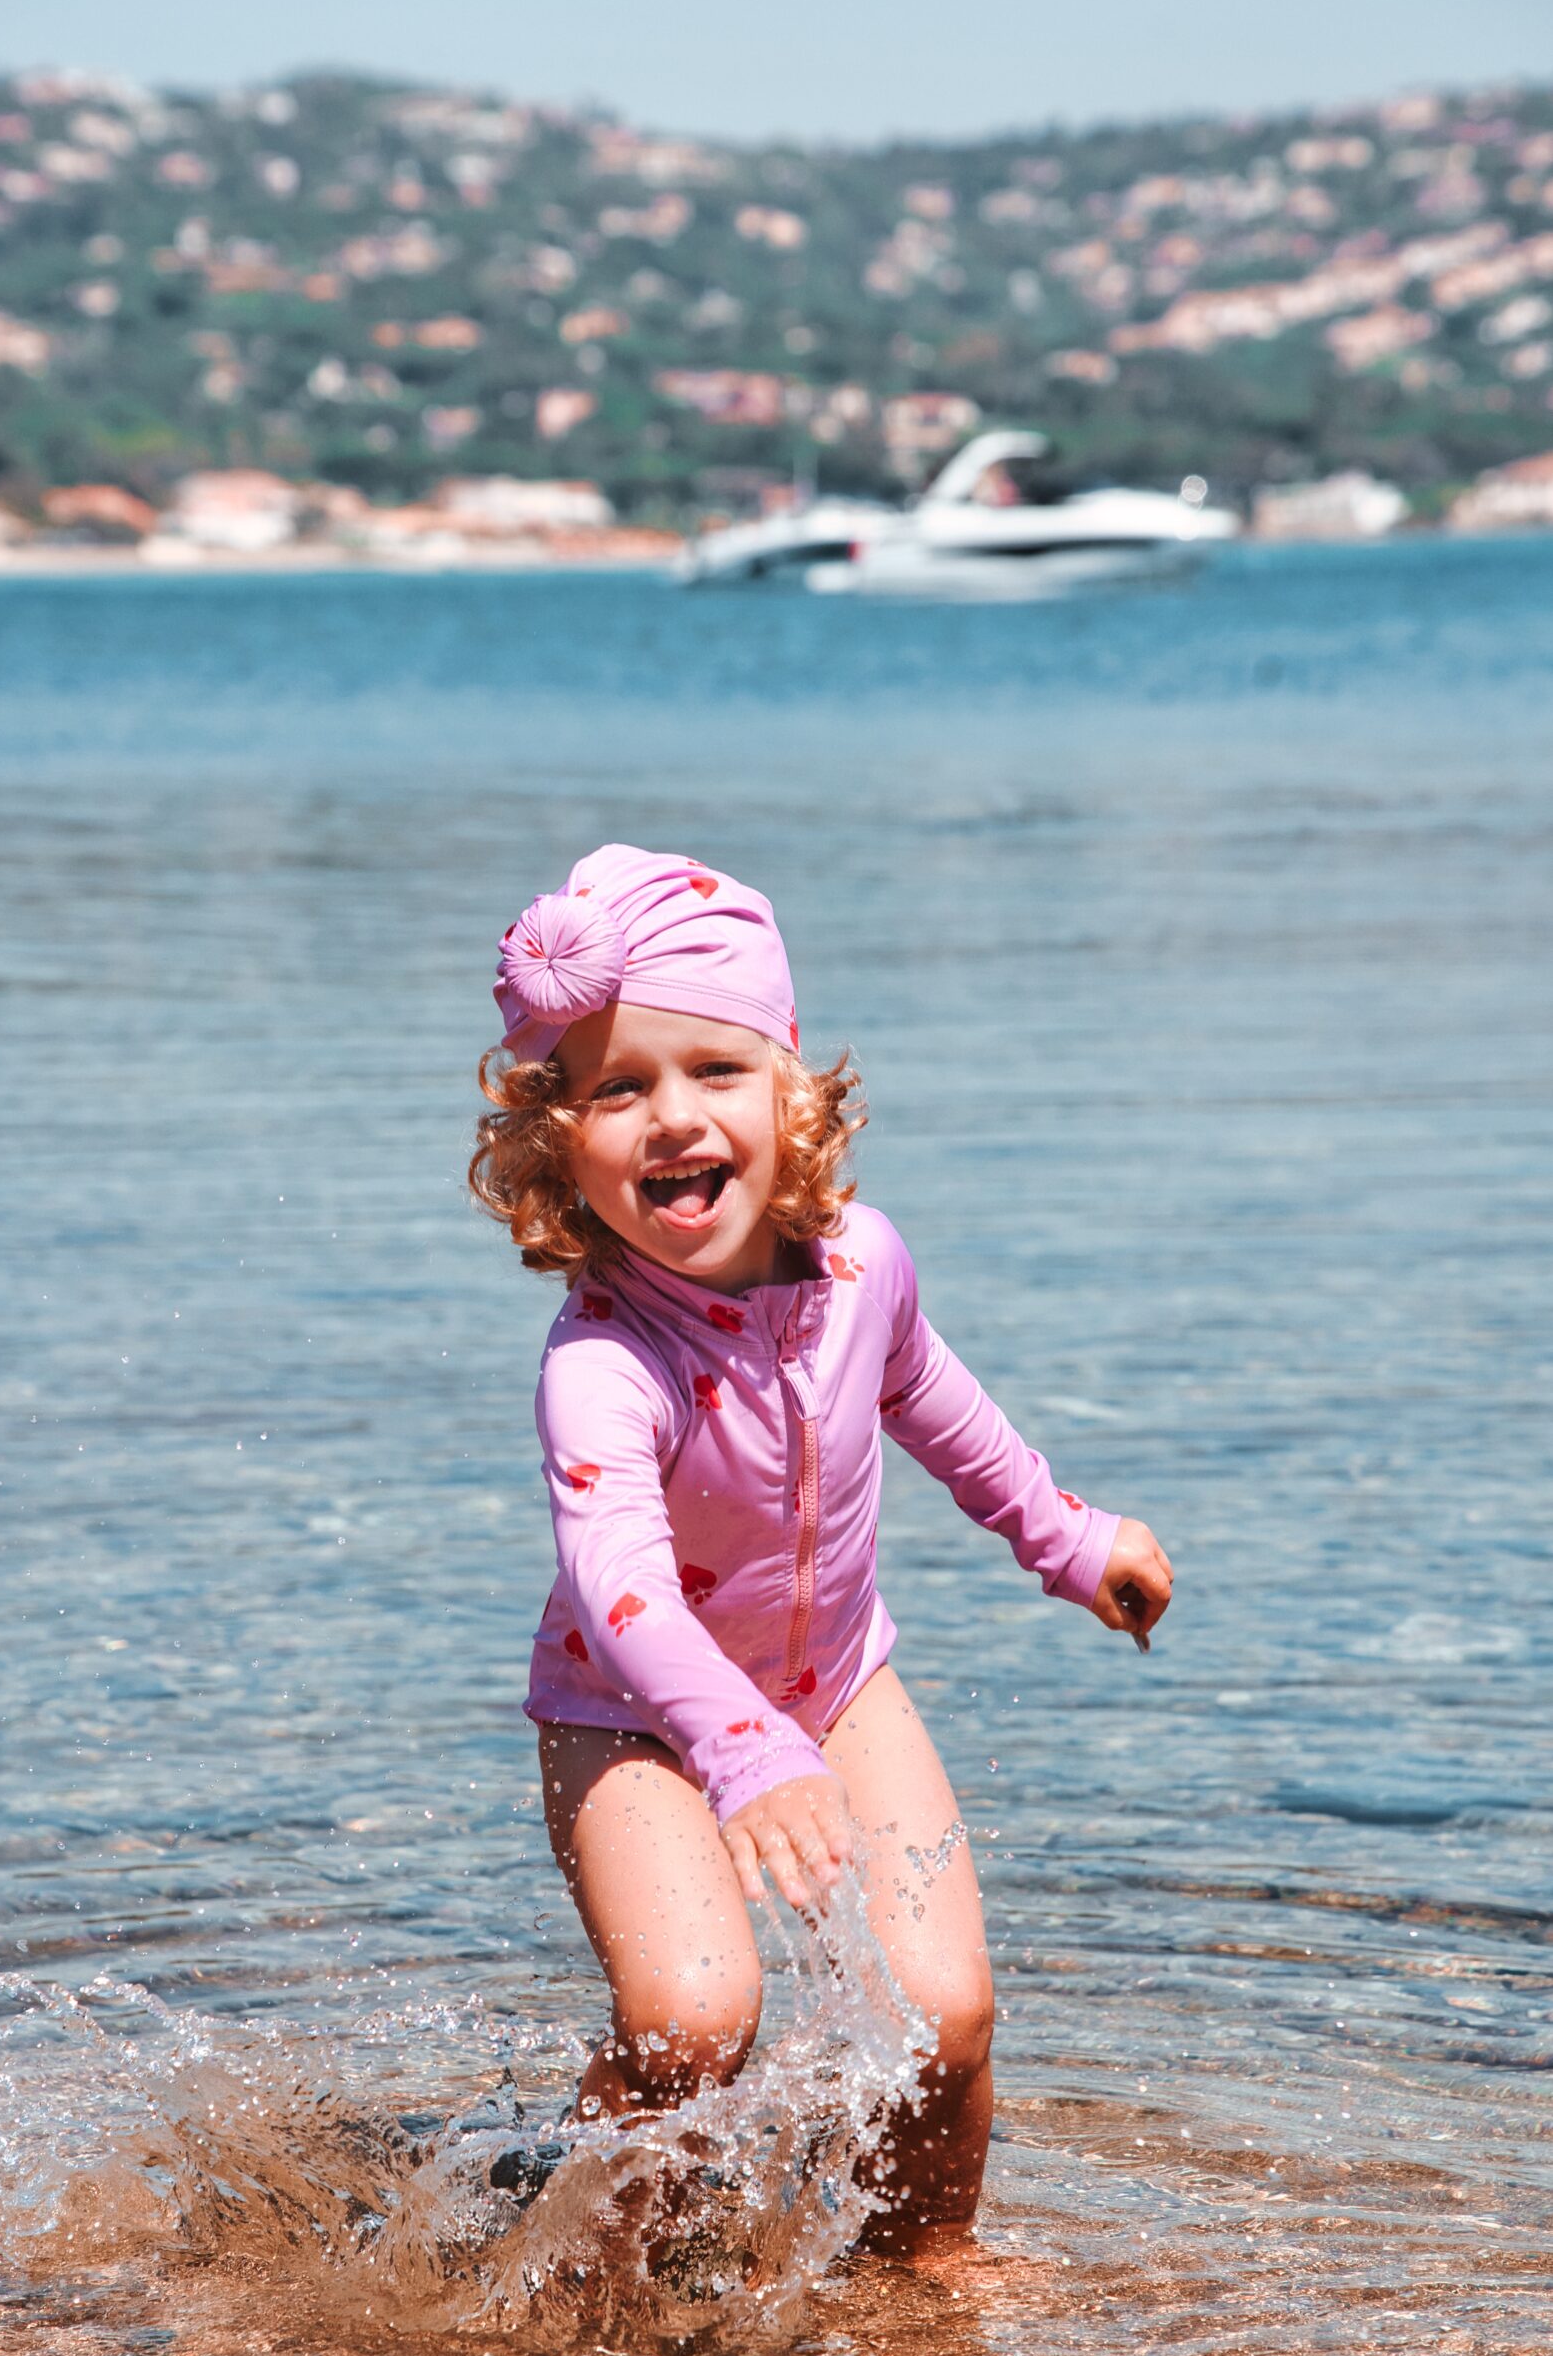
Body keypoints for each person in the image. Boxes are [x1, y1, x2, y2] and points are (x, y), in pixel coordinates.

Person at [469, 844, 1172, 2254]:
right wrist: (737, 1749)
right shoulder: (602, 1365)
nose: (672, 1117)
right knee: (692, 2020)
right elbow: (625, 1595)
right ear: (558, 1144)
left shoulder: (865, 1268)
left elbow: (937, 1402)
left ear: (790, 1093)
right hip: (633, 1719)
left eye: (714, 1071)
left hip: (839, 1684)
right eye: (617, 1088)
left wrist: (1066, 1536)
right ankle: (573, 2279)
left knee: (947, 2012)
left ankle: (925, 2278)